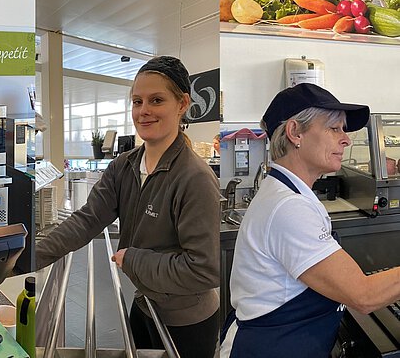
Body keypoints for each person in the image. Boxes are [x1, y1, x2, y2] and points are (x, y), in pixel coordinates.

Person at [36, 56, 220, 358]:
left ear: (182, 103)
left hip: (186, 322)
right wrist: (29, 256)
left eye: (156, 100)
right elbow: (87, 219)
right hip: (145, 303)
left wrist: (133, 259)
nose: (143, 111)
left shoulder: (194, 178)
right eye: (137, 101)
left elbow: (202, 270)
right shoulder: (125, 165)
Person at [220, 83, 400, 357]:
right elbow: (363, 296)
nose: (346, 140)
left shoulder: (289, 193)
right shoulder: (288, 207)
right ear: (295, 133)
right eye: (334, 128)